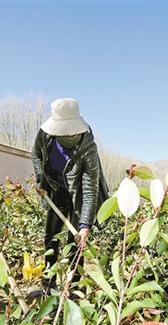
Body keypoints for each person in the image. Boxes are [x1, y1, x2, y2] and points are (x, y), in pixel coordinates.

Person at [32, 98, 109, 277]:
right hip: (55, 189)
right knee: (51, 236)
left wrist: (85, 225)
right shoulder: (45, 136)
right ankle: (49, 279)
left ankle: (73, 285)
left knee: (76, 241)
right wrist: (41, 180)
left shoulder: (88, 149)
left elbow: (90, 189)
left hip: (78, 194)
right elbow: (36, 154)